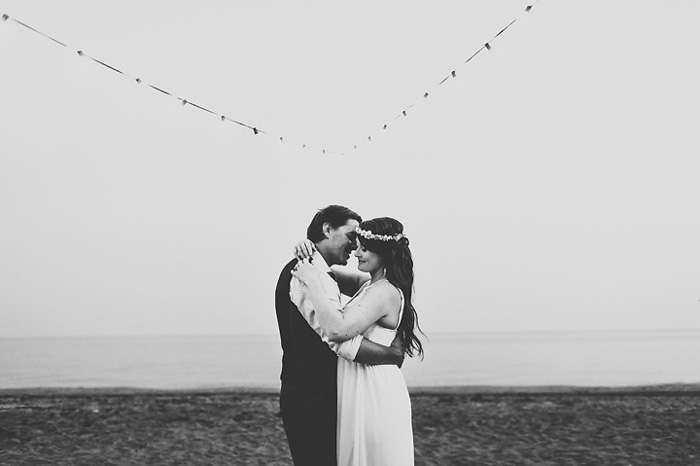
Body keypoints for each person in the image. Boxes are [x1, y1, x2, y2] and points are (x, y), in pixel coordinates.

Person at [274, 205, 404, 466]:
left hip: (326, 395)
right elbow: (334, 336)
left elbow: (366, 288)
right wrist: (391, 354)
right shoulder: (306, 275)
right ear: (327, 229)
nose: (356, 245)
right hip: (311, 399)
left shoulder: (324, 275)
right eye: (352, 235)